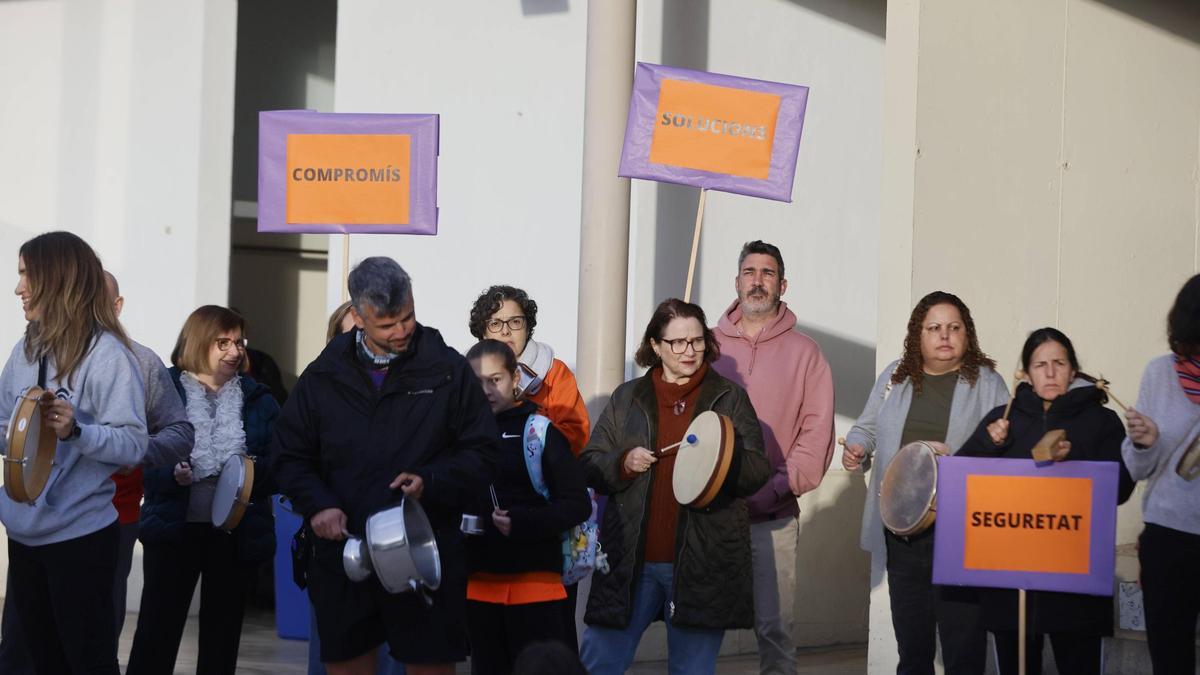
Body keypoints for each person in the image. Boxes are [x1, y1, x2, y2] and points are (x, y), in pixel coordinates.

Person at [272, 257, 499, 675]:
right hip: (345, 556)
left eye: (408, 317)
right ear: (357, 316)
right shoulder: (323, 376)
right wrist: (319, 505)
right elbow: (287, 455)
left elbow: (483, 453)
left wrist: (431, 481)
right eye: (387, 324)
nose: (401, 331)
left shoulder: (447, 370)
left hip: (425, 553)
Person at [578, 298, 770, 675]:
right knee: (599, 663)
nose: (690, 351)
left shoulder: (728, 397)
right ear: (655, 345)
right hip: (630, 560)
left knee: (692, 670)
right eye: (677, 343)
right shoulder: (627, 396)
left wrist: (719, 462)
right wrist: (623, 462)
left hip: (700, 561)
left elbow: (758, 469)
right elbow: (589, 462)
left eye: (697, 341)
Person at [0, 231, 148, 674]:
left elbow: (134, 445)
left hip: (80, 539)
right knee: (31, 662)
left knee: (85, 663)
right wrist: (19, 434)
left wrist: (76, 431)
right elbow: (4, 426)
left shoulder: (107, 357)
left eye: (27, 274)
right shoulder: (23, 352)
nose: (18, 287)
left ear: (58, 280)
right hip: (25, 536)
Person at [842, 291, 1008, 675]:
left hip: (960, 533)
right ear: (918, 335)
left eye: (954, 327)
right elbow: (867, 427)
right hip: (903, 532)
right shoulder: (895, 376)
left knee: (963, 647)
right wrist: (855, 448)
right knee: (913, 648)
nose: (944, 336)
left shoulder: (988, 382)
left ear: (968, 334)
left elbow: (1007, 448)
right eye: (934, 328)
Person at [958, 328, 1134, 674]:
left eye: (1059, 363)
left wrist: (1076, 460)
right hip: (1011, 583)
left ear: (1073, 370)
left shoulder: (1102, 421)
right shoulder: (1003, 419)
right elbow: (964, 480)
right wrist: (986, 445)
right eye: (1040, 365)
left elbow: (1122, 487)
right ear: (1025, 372)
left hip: (1075, 581)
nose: (1050, 373)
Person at [126, 305, 280, 675]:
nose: (235, 351)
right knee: (156, 632)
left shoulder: (259, 398)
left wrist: (252, 474)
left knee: (222, 639)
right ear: (198, 342)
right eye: (222, 342)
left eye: (239, 342)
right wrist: (168, 473)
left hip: (233, 532)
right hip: (172, 529)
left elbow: (282, 462)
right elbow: (135, 450)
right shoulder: (165, 387)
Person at [711, 240, 835, 675]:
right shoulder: (705, 347)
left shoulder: (807, 354)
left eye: (767, 273)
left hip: (773, 515)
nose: (757, 281)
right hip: (708, 512)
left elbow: (816, 436)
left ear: (782, 284)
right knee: (693, 623)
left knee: (774, 628)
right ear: (737, 281)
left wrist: (774, 488)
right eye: (749, 271)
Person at [463, 339, 591, 675]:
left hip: (537, 588)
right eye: (477, 382)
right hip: (479, 589)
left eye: (495, 379)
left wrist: (523, 522)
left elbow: (577, 504)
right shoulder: (460, 437)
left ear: (515, 378)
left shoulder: (539, 431)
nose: (486, 389)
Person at [1122, 274, 1200, 675]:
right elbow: (1136, 469)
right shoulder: (1160, 374)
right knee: (1171, 660)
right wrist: (1144, 442)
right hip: (1169, 540)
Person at [468, 285, 589, 456]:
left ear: (527, 327)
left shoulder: (554, 371)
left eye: (515, 322)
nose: (505, 331)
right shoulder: (465, 375)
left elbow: (577, 434)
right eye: (495, 323)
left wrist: (525, 444)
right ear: (483, 333)